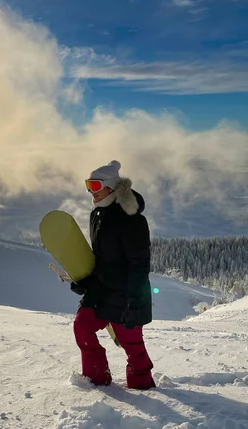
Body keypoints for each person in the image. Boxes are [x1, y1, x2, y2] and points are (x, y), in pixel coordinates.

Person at [71, 160, 155, 389]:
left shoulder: (133, 220)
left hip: (126, 294)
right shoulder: (97, 215)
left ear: (111, 187)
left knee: (133, 346)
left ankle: (144, 390)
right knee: (82, 326)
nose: (91, 191)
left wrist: (134, 301)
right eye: (88, 185)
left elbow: (139, 264)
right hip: (101, 291)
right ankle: (97, 381)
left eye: (95, 185)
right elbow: (101, 259)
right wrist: (86, 281)